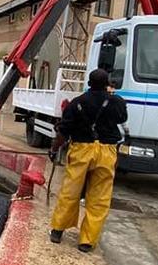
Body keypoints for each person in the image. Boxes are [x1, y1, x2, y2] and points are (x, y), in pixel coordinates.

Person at [48, 68, 127, 252]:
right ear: (108, 83)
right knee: (99, 197)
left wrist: (53, 149)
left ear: (89, 83)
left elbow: (64, 131)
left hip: (82, 149)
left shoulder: (77, 103)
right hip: (106, 150)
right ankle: (86, 241)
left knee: (70, 191)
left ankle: (58, 231)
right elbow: (123, 118)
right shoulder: (116, 102)